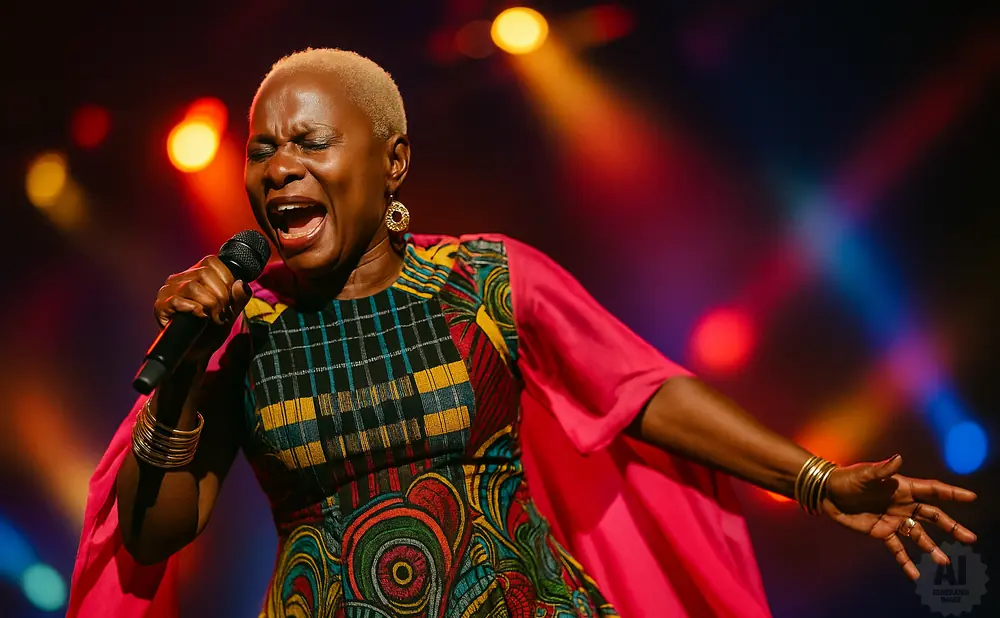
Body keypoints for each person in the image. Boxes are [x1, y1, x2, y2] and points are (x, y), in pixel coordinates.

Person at [67, 48, 978, 618]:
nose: (280, 167)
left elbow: (641, 393)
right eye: (263, 149)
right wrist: (186, 372)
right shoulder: (242, 330)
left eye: (310, 141)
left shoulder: (485, 279)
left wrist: (814, 481)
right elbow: (152, 539)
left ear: (392, 164)